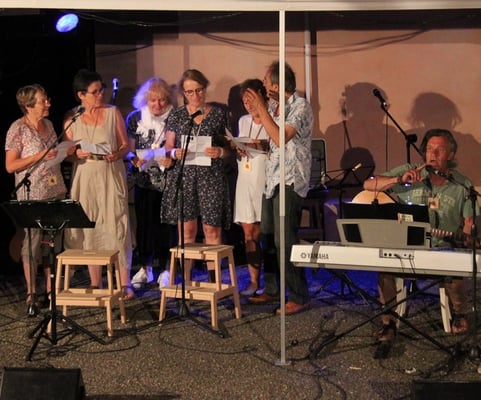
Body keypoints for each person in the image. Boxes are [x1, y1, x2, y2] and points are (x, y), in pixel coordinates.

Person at [363, 128, 477, 344]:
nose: (433, 154)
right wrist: (399, 179)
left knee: (456, 261)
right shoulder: (410, 173)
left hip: (443, 248)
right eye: (429, 149)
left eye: (440, 150)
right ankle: (389, 322)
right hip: (408, 247)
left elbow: (469, 223)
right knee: (386, 267)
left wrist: (468, 238)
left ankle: (459, 314)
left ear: (451, 154)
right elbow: (368, 184)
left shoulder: (462, 185)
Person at [243, 60, 313, 315]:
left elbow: (282, 137)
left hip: (291, 179)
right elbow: (272, 141)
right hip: (272, 179)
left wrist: (262, 107)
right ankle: (272, 289)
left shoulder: (300, 106)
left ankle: (299, 294)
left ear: (276, 85)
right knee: (268, 236)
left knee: (285, 239)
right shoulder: (274, 107)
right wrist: (250, 146)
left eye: (265, 82)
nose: (263, 87)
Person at [63, 69, 134, 300]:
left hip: (109, 173)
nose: (101, 94)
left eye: (102, 89)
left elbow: (125, 145)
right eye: (95, 91)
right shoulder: (72, 118)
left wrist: (117, 153)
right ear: (81, 95)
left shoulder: (113, 113)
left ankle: (125, 283)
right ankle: (96, 282)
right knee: (89, 225)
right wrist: (76, 154)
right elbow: (66, 153)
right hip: (85, 176)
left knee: (116, 224)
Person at [5, 84, 74, 316]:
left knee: (52, 242)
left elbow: (53, 154)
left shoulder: (49, 125)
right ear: (28, 105)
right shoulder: (18, 129)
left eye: (47, 99)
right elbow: (10, 166)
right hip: (32, 193)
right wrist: (40, 155)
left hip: (55, 189)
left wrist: (63, 152)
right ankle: (31, 293)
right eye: (43, 101)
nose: (48, 104)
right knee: (33, 243)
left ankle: (51, 290)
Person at [161, 69, 231, 277]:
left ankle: (214, 280)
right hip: (185, 177)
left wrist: (220, 152)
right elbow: (168, 147)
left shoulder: (218, 114)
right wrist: (174, 152)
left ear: (205, 88)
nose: (195, 95)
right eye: (189, 92)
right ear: (183, 93)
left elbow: (231, 147)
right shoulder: (177, 115)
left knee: (212, 230)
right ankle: (187, 280)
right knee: (187, 232)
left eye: (198, 90)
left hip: (211, 178)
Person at [125, 77, 175, 289]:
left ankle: (165, 269)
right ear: (145, 100)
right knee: (144, 226)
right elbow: (128, 150)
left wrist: (169, 157)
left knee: (166, 226)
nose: (158, 105)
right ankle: (145, 267)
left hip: (167, 181)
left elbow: (178, 147)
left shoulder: (175, 117)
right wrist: (133, 159)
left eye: (162, 100)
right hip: (143, 180)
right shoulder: (135, 118)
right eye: (153, 100)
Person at [232, 79, 269, 296]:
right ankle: (253, 281)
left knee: (266, 234)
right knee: (249, 235)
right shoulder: (244, 121)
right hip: (245, 180)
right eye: (245, 102)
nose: (249, 105)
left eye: (252, 100)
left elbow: (274, 146)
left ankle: (272, 283)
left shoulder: (273, 119)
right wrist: (238, 147)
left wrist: (255, 145)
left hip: (264, 182)